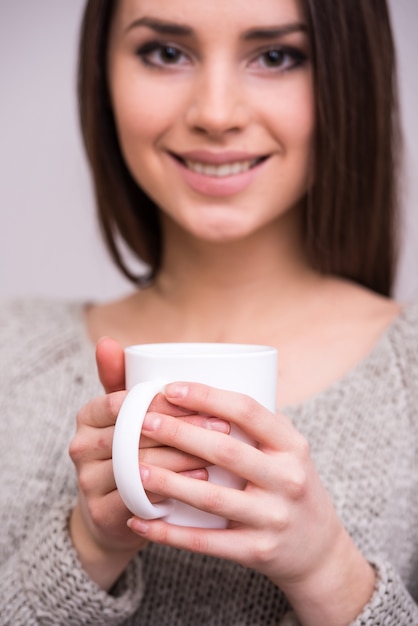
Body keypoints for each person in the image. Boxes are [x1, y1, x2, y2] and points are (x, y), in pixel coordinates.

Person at [0, 0, 417, 624]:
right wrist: (89, 544)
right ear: (102, 76)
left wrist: (328, 570)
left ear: (349, 74)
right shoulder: (10, 349)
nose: (216, 115)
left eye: (277, 56)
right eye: (166, 53)